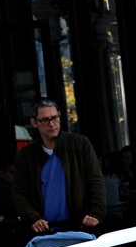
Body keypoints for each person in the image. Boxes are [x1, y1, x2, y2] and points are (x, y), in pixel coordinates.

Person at [13, 99, 106, 236]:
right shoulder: (26, 156)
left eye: (54, 118)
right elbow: (20, 194)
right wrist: (33, 218)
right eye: (45, 120)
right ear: (34, 123)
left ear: (60, 116)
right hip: (45, 232)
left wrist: (95, 214)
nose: (52, 124)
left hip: (81, 227)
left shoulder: (80, 145)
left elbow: (96, 182)